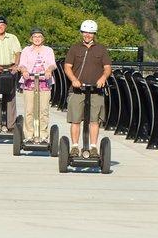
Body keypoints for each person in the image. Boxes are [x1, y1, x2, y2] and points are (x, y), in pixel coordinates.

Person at [64, 20, 112, 158]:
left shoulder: (101, 49)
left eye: (90, 33)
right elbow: (67, 66)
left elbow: (107, 68)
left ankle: (93, 147)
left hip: (95, 90)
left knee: (94, 120)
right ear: (81, 33)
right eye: (85, 32)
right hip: (78, 90)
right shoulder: (75, 48)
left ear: (94, 34)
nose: (87, 35)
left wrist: (103, 79)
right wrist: (73, 80)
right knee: (75, 120)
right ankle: (74, 147)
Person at [18, 27, 56, 144]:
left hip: (44, 83)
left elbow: (53, 64)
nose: (37, 39)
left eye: (39, 36)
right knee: (29, 110)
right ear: (31, 38)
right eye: (35, 36)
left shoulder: (48, 50)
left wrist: (49, 70)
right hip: (29, 83)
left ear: (43, 38)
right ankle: (29, 134)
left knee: (43, 110)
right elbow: (22, 64)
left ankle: (43, 134)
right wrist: (24, 71)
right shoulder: (26, 50)